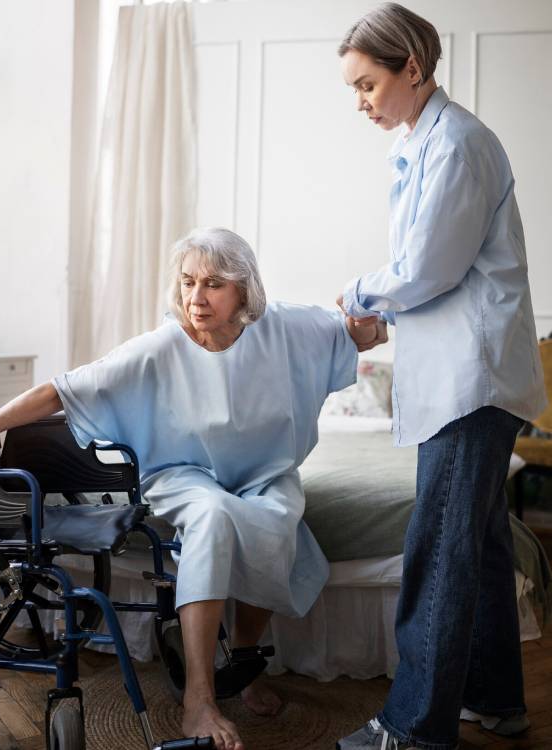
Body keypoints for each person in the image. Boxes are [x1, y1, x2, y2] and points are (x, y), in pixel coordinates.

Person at [0, 226, 386, 750]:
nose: (195, 298)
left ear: (244, 290)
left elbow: (357, 333)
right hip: (183, 473)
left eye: (213, 285)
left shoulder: (287, 327)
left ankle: (243, 663)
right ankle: (198, 697)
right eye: (187, 282)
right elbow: (63, 389)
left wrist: (373, 325)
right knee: (212, 516)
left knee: (278, 518)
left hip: (264, 473)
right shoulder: (163, 345)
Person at [334, 4, 547, 750]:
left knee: (439, 550)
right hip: (470, 378)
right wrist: (383, 312)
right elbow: (441, 276)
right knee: (481, 546)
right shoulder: (434, 145)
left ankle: (414, 728)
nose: (360, 101)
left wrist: (358, 296)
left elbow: (426, 268)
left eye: (367, 85)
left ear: (412, 70)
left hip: (471, 385)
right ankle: (495, 701)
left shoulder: (455, 144)